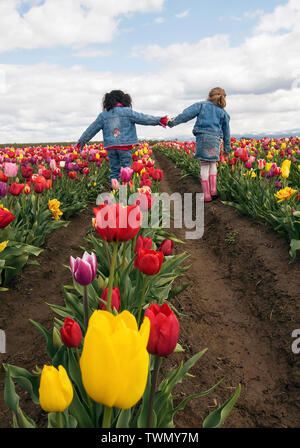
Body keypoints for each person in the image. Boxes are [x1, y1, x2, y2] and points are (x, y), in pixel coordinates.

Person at [76, 90, 168, 186]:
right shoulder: (127, 112)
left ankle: (114, 191)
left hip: (111, 147)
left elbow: (91, 130)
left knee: (114, 171)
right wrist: (160, 120)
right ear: (124, 99)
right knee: (126, 169)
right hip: (125, 146)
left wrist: (80, 143)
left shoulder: (103, 115)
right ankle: (124, 193)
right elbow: (144, 118)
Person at [167, 87, 231, 202]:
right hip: (215, 140)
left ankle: (206, 195)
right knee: (212, 164)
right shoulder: (223, 112)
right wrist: (227, 149)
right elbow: (227, 132)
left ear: (209, 95)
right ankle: (213, 191)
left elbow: (185, 115)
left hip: (203, 138)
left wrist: (172, 122)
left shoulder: (201, 105)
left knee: (204, 165)